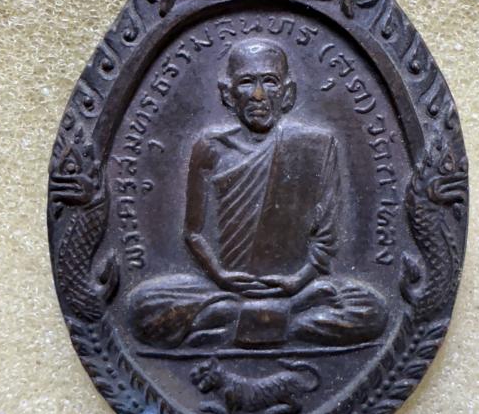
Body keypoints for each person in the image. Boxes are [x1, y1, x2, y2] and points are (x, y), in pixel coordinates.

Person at [128, 40, 387, 349]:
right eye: (247, 82)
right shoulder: (210, 147)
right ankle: (283, 323)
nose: (259, 95)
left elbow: (327, 239)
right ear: (228, 94)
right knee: (143, 307)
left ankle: (235, 324)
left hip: (298, 289)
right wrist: (221, 276)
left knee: (372, 310)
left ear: (288, 93)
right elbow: (193, 233)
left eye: (270, 82)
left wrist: (298, 281)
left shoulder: (316, 145)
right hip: (224, 289)